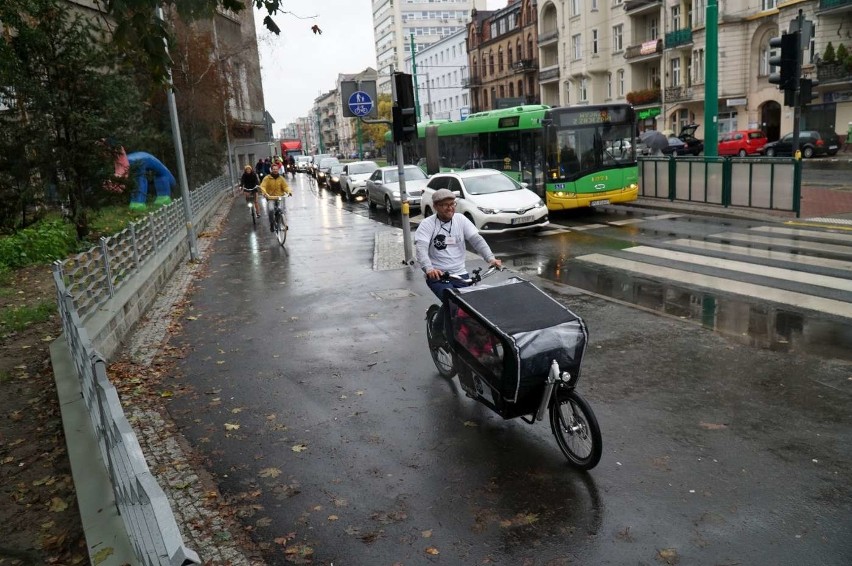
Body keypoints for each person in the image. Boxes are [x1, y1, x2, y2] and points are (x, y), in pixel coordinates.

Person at [415, 188, 502, 337]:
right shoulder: (427, 224)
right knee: (454, 304)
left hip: (461, 274)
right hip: (439, 276)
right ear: (435, 206)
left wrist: (491, 258)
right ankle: (437, 331)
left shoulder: (461, 220)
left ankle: (467, 338)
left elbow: (476, 240)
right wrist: (429, 269)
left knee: (472, 307)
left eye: (452, 204)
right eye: (445, 205)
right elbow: (421, 248)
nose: (450, 208)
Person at [259, 164, 292, 232]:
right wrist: (265, 193)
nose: (275, 170)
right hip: (271, 198)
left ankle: (283, 224)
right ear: (271, 170)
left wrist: (289, 192)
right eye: (274, 169)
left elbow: (285, 186)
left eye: (276, 169)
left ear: (278, 170)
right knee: (271, 210)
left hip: (279, 197)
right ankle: (272, 224)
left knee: (281, 210)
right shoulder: (267, 178)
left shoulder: (281, 178)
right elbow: (263, 186)